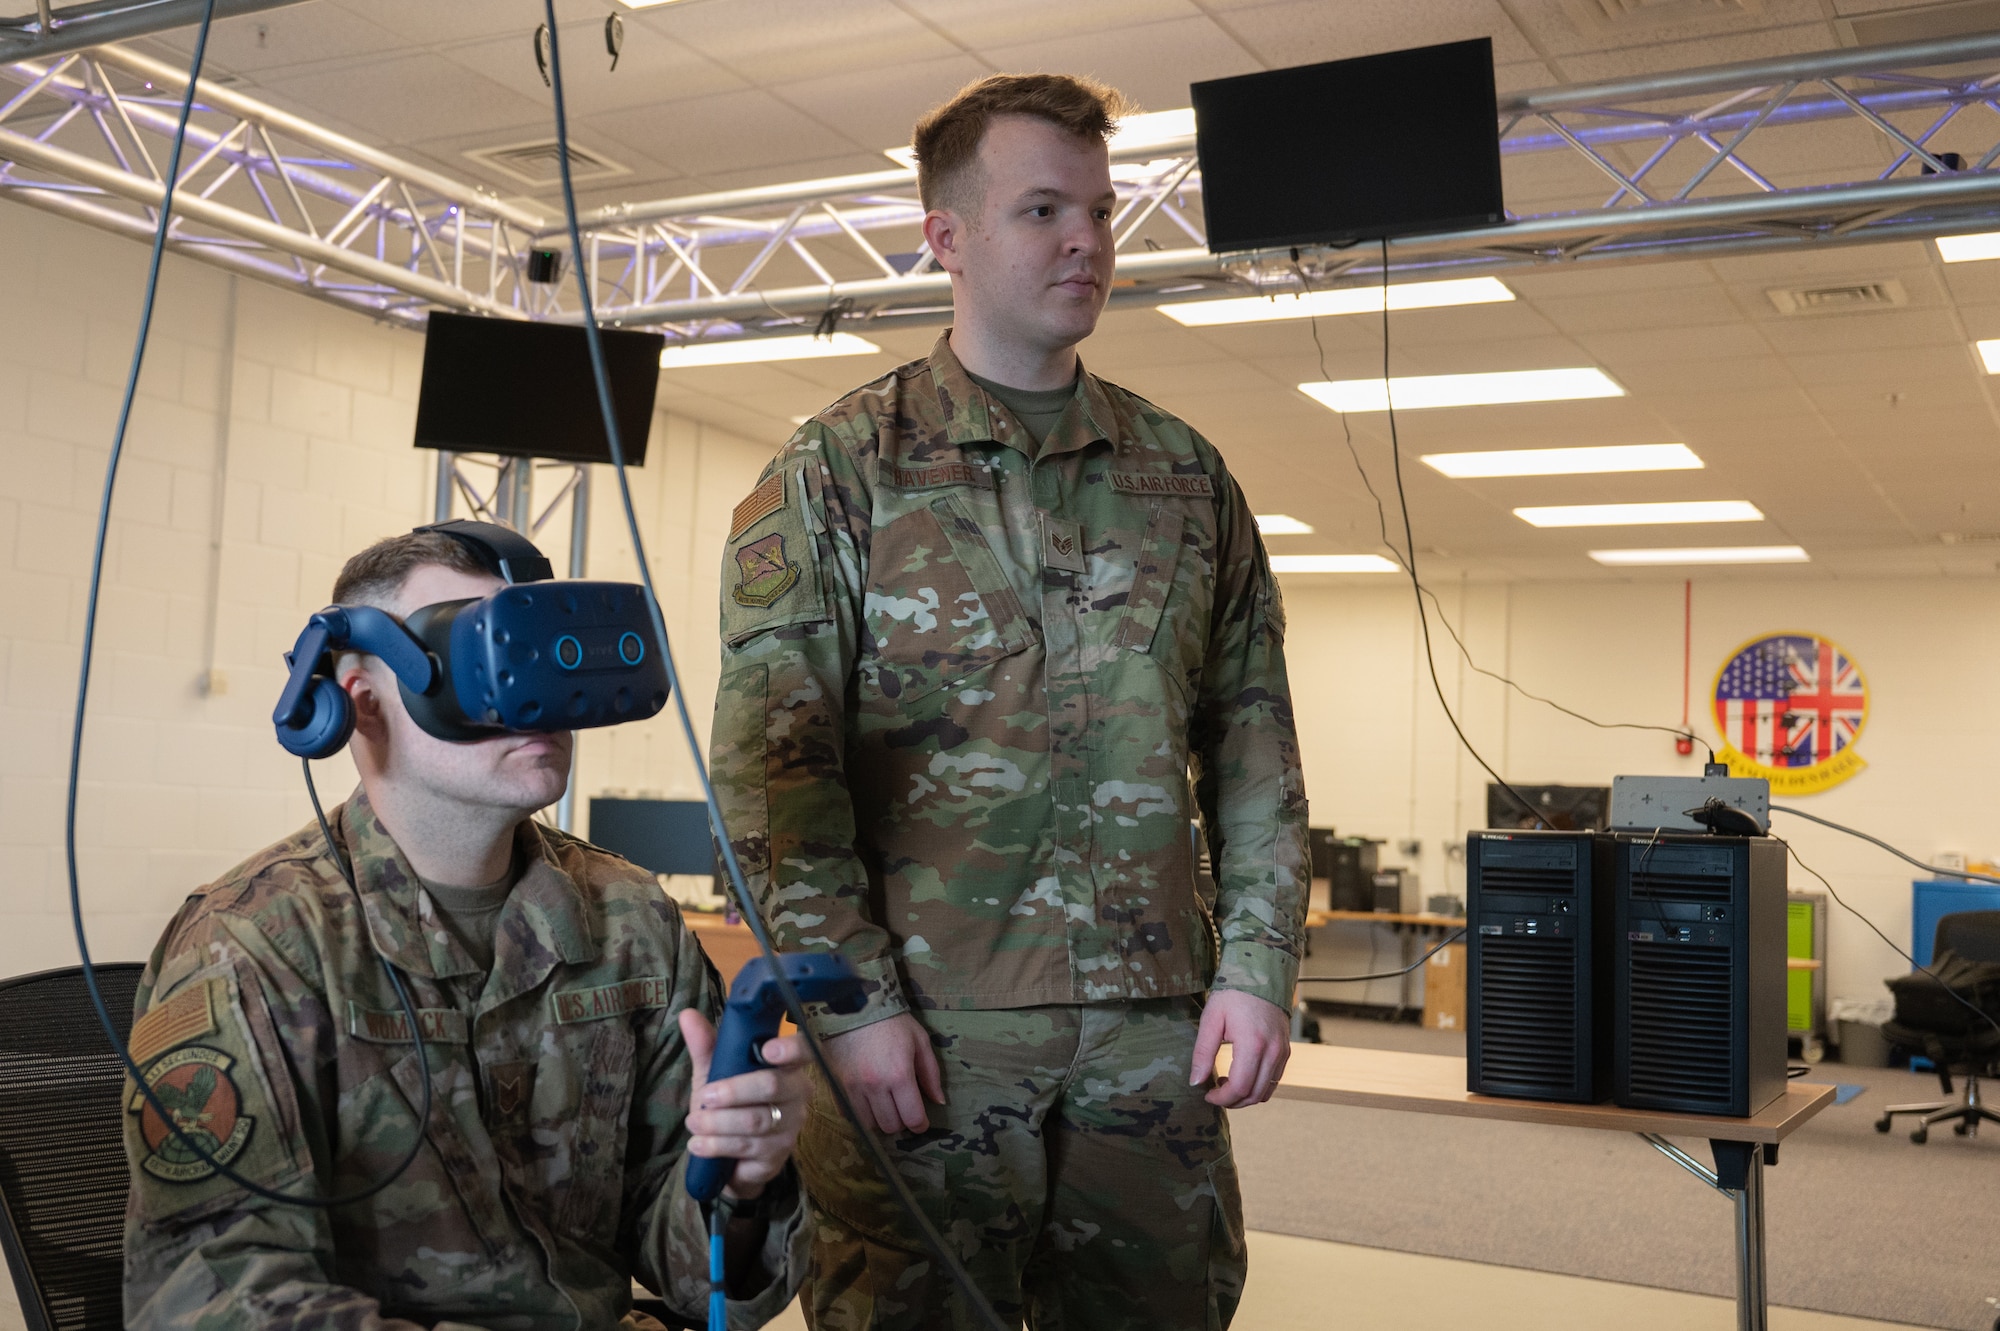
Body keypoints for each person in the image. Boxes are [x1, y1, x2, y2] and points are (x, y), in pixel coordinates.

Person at [708, 73, 1308, 1329]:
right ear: (948, 235)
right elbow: (775, 783)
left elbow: (1254, 752)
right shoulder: (835, 475)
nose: (1086, 239)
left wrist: (1255, 967)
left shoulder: (1184, 478)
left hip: (1151, 1035)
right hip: (923, 1040)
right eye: (1042, 209)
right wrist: (852, 1004)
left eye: (1097, 209)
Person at [122, 529, 812, 1330]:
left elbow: (696, 1280)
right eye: (487, 655)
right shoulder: (252, 946)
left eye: (544, 654)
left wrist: (741, 1179)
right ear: (361, 698)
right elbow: (212, 1296)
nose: (537, 695)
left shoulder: (631, 922)